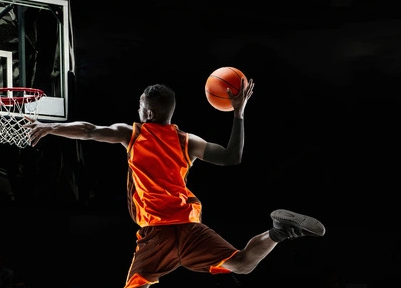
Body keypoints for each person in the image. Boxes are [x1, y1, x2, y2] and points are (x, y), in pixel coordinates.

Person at [22, 80, 326, 288]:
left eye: (140, 105)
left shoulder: (133, 134)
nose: (138, 110)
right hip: (189, 225)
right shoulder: (187, 141)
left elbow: (89, 131)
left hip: (156, 232)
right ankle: (278, 230)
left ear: (149, 112)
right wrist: (238, 112)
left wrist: (49, 128)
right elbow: (231, 157)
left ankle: (280, 230)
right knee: (242, 263)